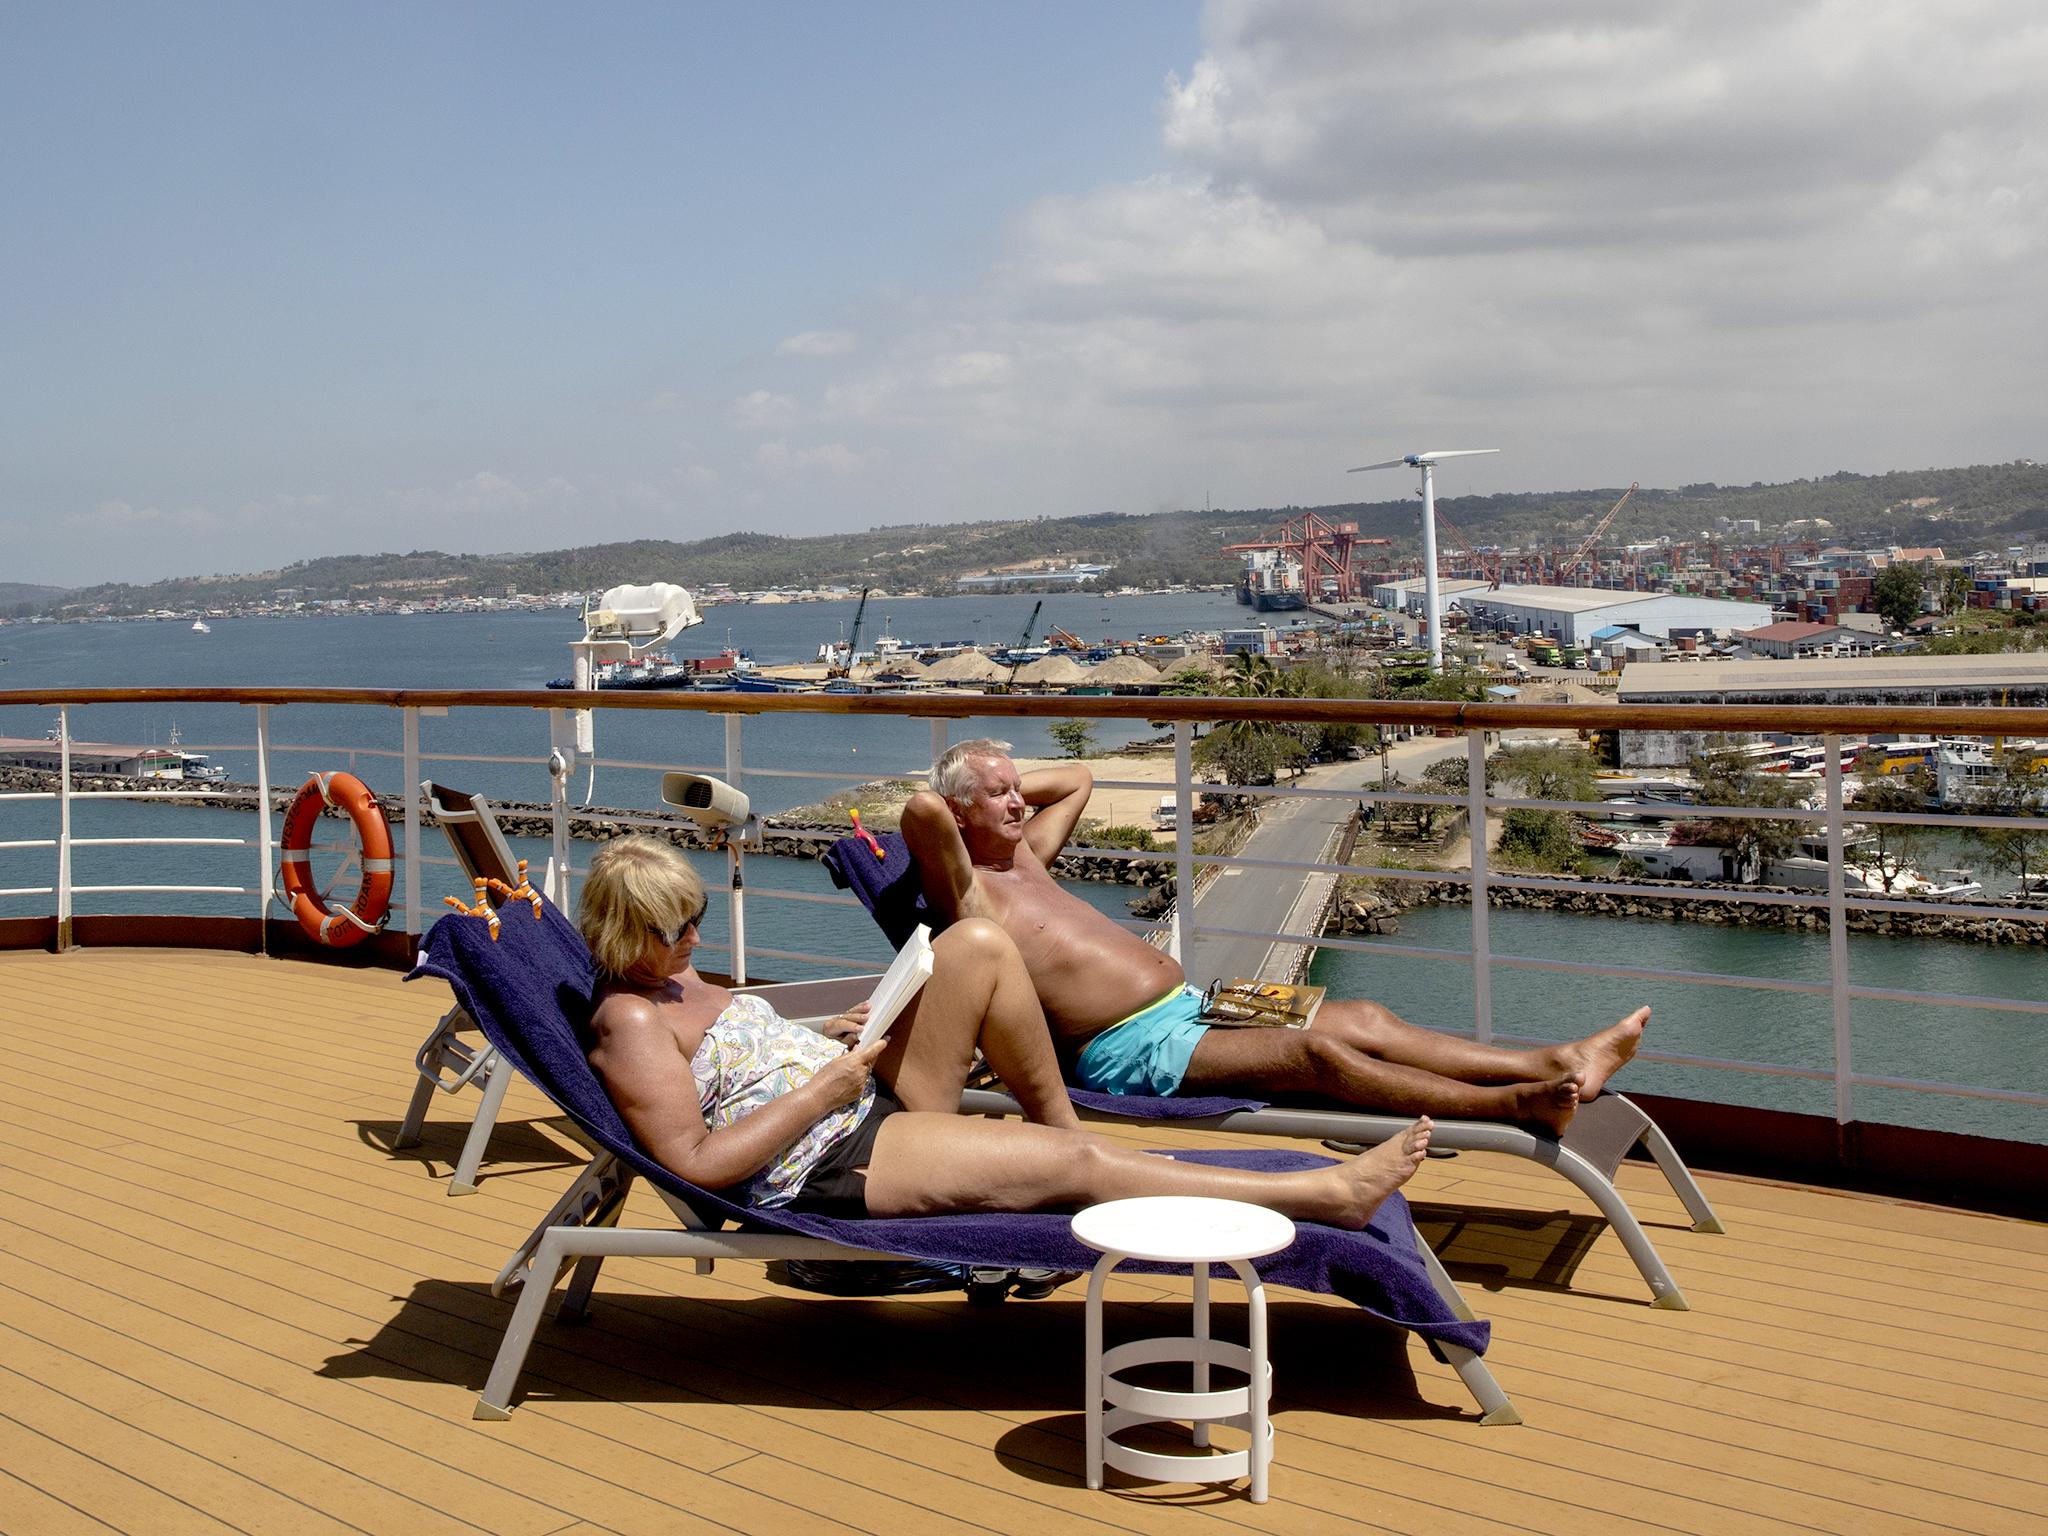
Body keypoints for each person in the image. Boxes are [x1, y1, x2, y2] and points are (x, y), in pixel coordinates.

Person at [577, 834, 1431, 1226]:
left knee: (978, 944)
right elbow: (691, 1168)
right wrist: (821, 1091)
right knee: (1076, 1166)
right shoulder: (628, 1021)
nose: (694, 938)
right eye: (672, 928)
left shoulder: (675, 977)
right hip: (828, 1160)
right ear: (623, 935)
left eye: (693, 918)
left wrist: (824, 1035)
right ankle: (1326, 1196)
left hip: (853, 1095)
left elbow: (732, 1058)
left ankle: (1059, 1124)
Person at [901, 740, 1651, 1135]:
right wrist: (965, 795)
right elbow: (919, 814)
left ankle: (1554, 1059)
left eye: (1013, 790)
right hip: (1134, 1048)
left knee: (1364, 1020)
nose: (1015, 801)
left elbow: (1079, 778)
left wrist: (1001, 790)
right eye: (997, 794)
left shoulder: (1027, 854)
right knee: (1316, 1055)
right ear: (961, 810)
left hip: (1199, 1002)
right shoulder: (969, 891)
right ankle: (1518, 1105)